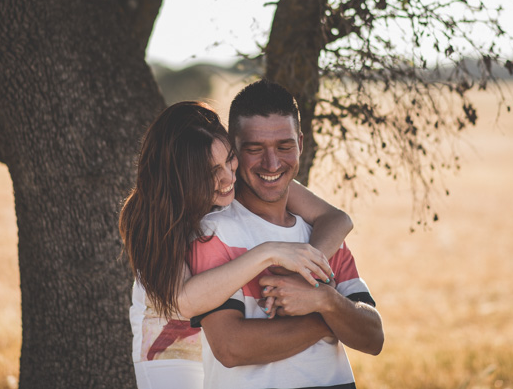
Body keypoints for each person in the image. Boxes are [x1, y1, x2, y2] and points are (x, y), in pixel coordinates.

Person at [119, 101, 353, 389]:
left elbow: (337, 219)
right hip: (169, 342)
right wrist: (269, 253)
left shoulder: (241, 179)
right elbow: (185, 302)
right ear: (182, 175)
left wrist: (299, 276)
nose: (228, 178)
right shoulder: (150, 216)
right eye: (209, 172)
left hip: (219, 333)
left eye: (229, 159)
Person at [188, 80, 384, 389]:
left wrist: (325, 300)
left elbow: (373, 337)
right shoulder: (214, 233)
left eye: (284, 146)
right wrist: (325, 321)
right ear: (234, 152)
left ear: (301, 144)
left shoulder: (322, 235)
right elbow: (230, 347)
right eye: (254, 149)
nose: (272, 163)